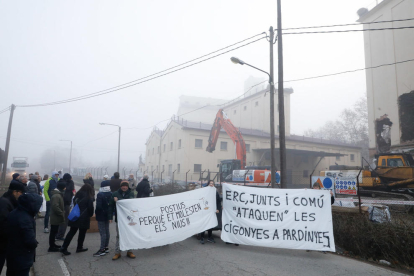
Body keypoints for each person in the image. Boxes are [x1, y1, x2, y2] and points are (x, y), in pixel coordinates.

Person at [6, 193, 42, 276]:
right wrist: (34, 243)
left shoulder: (15, 212)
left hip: (12, 254)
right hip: (22, 257)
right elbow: (29, 240)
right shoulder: (25, 219)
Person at [60, 184, 94, 256]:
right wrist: (90, 215)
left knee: (71, 232)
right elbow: (91, 208)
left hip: (75, 216)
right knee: (82, 233)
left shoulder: (77, 196)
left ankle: (64, 247)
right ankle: (79, 247)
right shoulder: (89, 197)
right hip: (84, 217)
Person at [0, 182, 25, 274]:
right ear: (15, 192)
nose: (22, 195)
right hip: (2, 244)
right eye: (21, 193)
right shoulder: (5, 203)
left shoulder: (9, 201)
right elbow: (4, 225)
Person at [108, 180, 135, 260]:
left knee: (129, 235)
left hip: (129, 219)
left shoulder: (131, 193)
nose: (124, 187)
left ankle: (129, 251)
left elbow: (129, 202)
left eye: (126, 186)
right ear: (121, 186)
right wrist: (110, 217)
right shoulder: (115, 194)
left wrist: (118, 199)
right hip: (119, 218)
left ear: (128, 186)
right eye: (123, 186)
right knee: (119, 236)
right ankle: (117, 252)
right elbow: (110, 206)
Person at [93, 180, 112, 257]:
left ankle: (102, 249)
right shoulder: (111, 193)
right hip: (108, 215)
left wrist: (96, 213)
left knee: (102, 232)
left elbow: (98, 206)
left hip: (101, 215)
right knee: (107, 231)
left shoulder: (100, 194)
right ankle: (106, 247)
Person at [199, 180, 221, 244]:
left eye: (212, 183)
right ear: (208, 184)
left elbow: (218, 201)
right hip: (205, 210)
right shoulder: (204, 191)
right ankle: (202, 238)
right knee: (204, 224)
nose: (211, 184)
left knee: (210, 225)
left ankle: (209, 237)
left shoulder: (215, 191)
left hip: (212, 211)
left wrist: (218, 209)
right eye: (210, 183)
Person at [56, 173, 75, 241]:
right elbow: (72, 190)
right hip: (66, 203)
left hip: (58, 202)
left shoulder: (59, 182)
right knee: (64, 220)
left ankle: (56, 233)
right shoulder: (70, 183)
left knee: (58, 218)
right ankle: (60, 235)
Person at [48, 181, 66, 252]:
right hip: (55, 216)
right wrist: (61, 213)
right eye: (65, 187)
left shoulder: (58, 194)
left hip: (56, 216)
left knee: (54, 231)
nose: (65, 188)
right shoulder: (56, 196)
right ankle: (51, 247)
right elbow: (55, 206)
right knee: (53, 232)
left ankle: (53, 244)